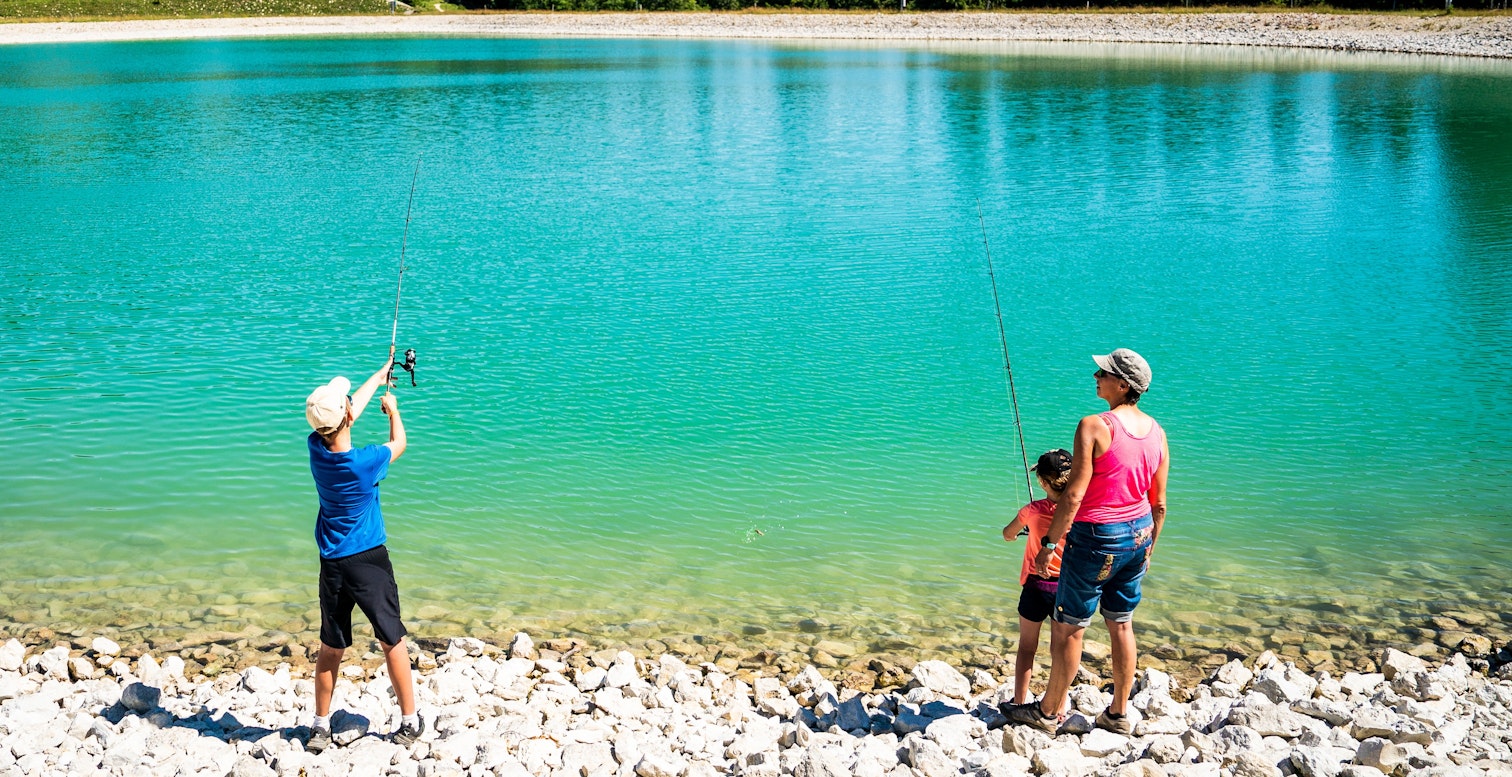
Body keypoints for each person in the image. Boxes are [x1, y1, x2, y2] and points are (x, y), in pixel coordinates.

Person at [1004, 348, 1169, 735]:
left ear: (1123, 384)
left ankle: (1045, 713)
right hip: (1139, 534)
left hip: (1097, 537)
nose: (1095, 376)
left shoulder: (1093, 425)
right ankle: (1118, 713)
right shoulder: (1157, 432)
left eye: (1103, 373)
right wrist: (1148, 550)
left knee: (1069, 627)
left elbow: (1075, 496)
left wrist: (1048, 544)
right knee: (1122, 624)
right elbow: (1158, 502)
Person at [302, 353, 423, 752]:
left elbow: (344, 415)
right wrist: (394, 411)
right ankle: (410, 720)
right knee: (392, 640)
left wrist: (380, 374)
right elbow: (400, 443)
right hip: (369, 561)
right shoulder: (365, 463)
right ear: (350, 417)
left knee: (331, 646)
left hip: (332, 564)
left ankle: (319, 726)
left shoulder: (316, 449)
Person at [1000, 449, 1073, 705]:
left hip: (1035, 586)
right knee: (1060, 652)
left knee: (1027, 647)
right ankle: (1058, 705)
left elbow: (1008, 534)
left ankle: (1019, 701)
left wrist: (1025, 529)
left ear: (1042, 482)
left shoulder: (1032, 510)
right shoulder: (1080, 511)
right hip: (1067, 589)